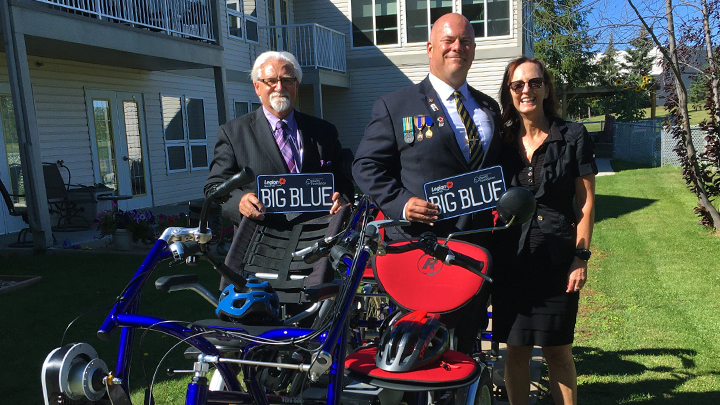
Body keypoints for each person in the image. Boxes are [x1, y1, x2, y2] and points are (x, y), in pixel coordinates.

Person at [352, 13, 501, 353]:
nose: (457, 48)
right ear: (430, 48)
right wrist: (400, 202)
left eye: (465, 42)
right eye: (448, 41)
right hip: (422, 249)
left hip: (475, 248)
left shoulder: (488, 108)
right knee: (418, 348)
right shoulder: (396, 105)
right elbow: (365, 165)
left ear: (474, 50)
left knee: (467, 345)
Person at [492, 56, 596, 405]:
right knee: (517, 351)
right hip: (512, 261)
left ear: (546, 88)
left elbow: (585, 202)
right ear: (509, 93)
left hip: (557, 260)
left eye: (534, 82)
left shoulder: (573, 137)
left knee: (559, 353)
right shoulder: (500, 144)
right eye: (518, 85)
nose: (527, 90)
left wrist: (580, 257)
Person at [205, 51, 355, 290]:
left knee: (311, 317)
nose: (279, 87)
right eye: (270, 81)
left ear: (296, 86)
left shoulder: (324, 131)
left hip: (315, 247)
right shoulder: (233, 133)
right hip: (259, 244)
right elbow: (215, 187)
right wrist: (240, 201)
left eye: (287, 80)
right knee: (257, 320)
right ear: (257, 87)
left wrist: (342, 196)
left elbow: (344, 179)